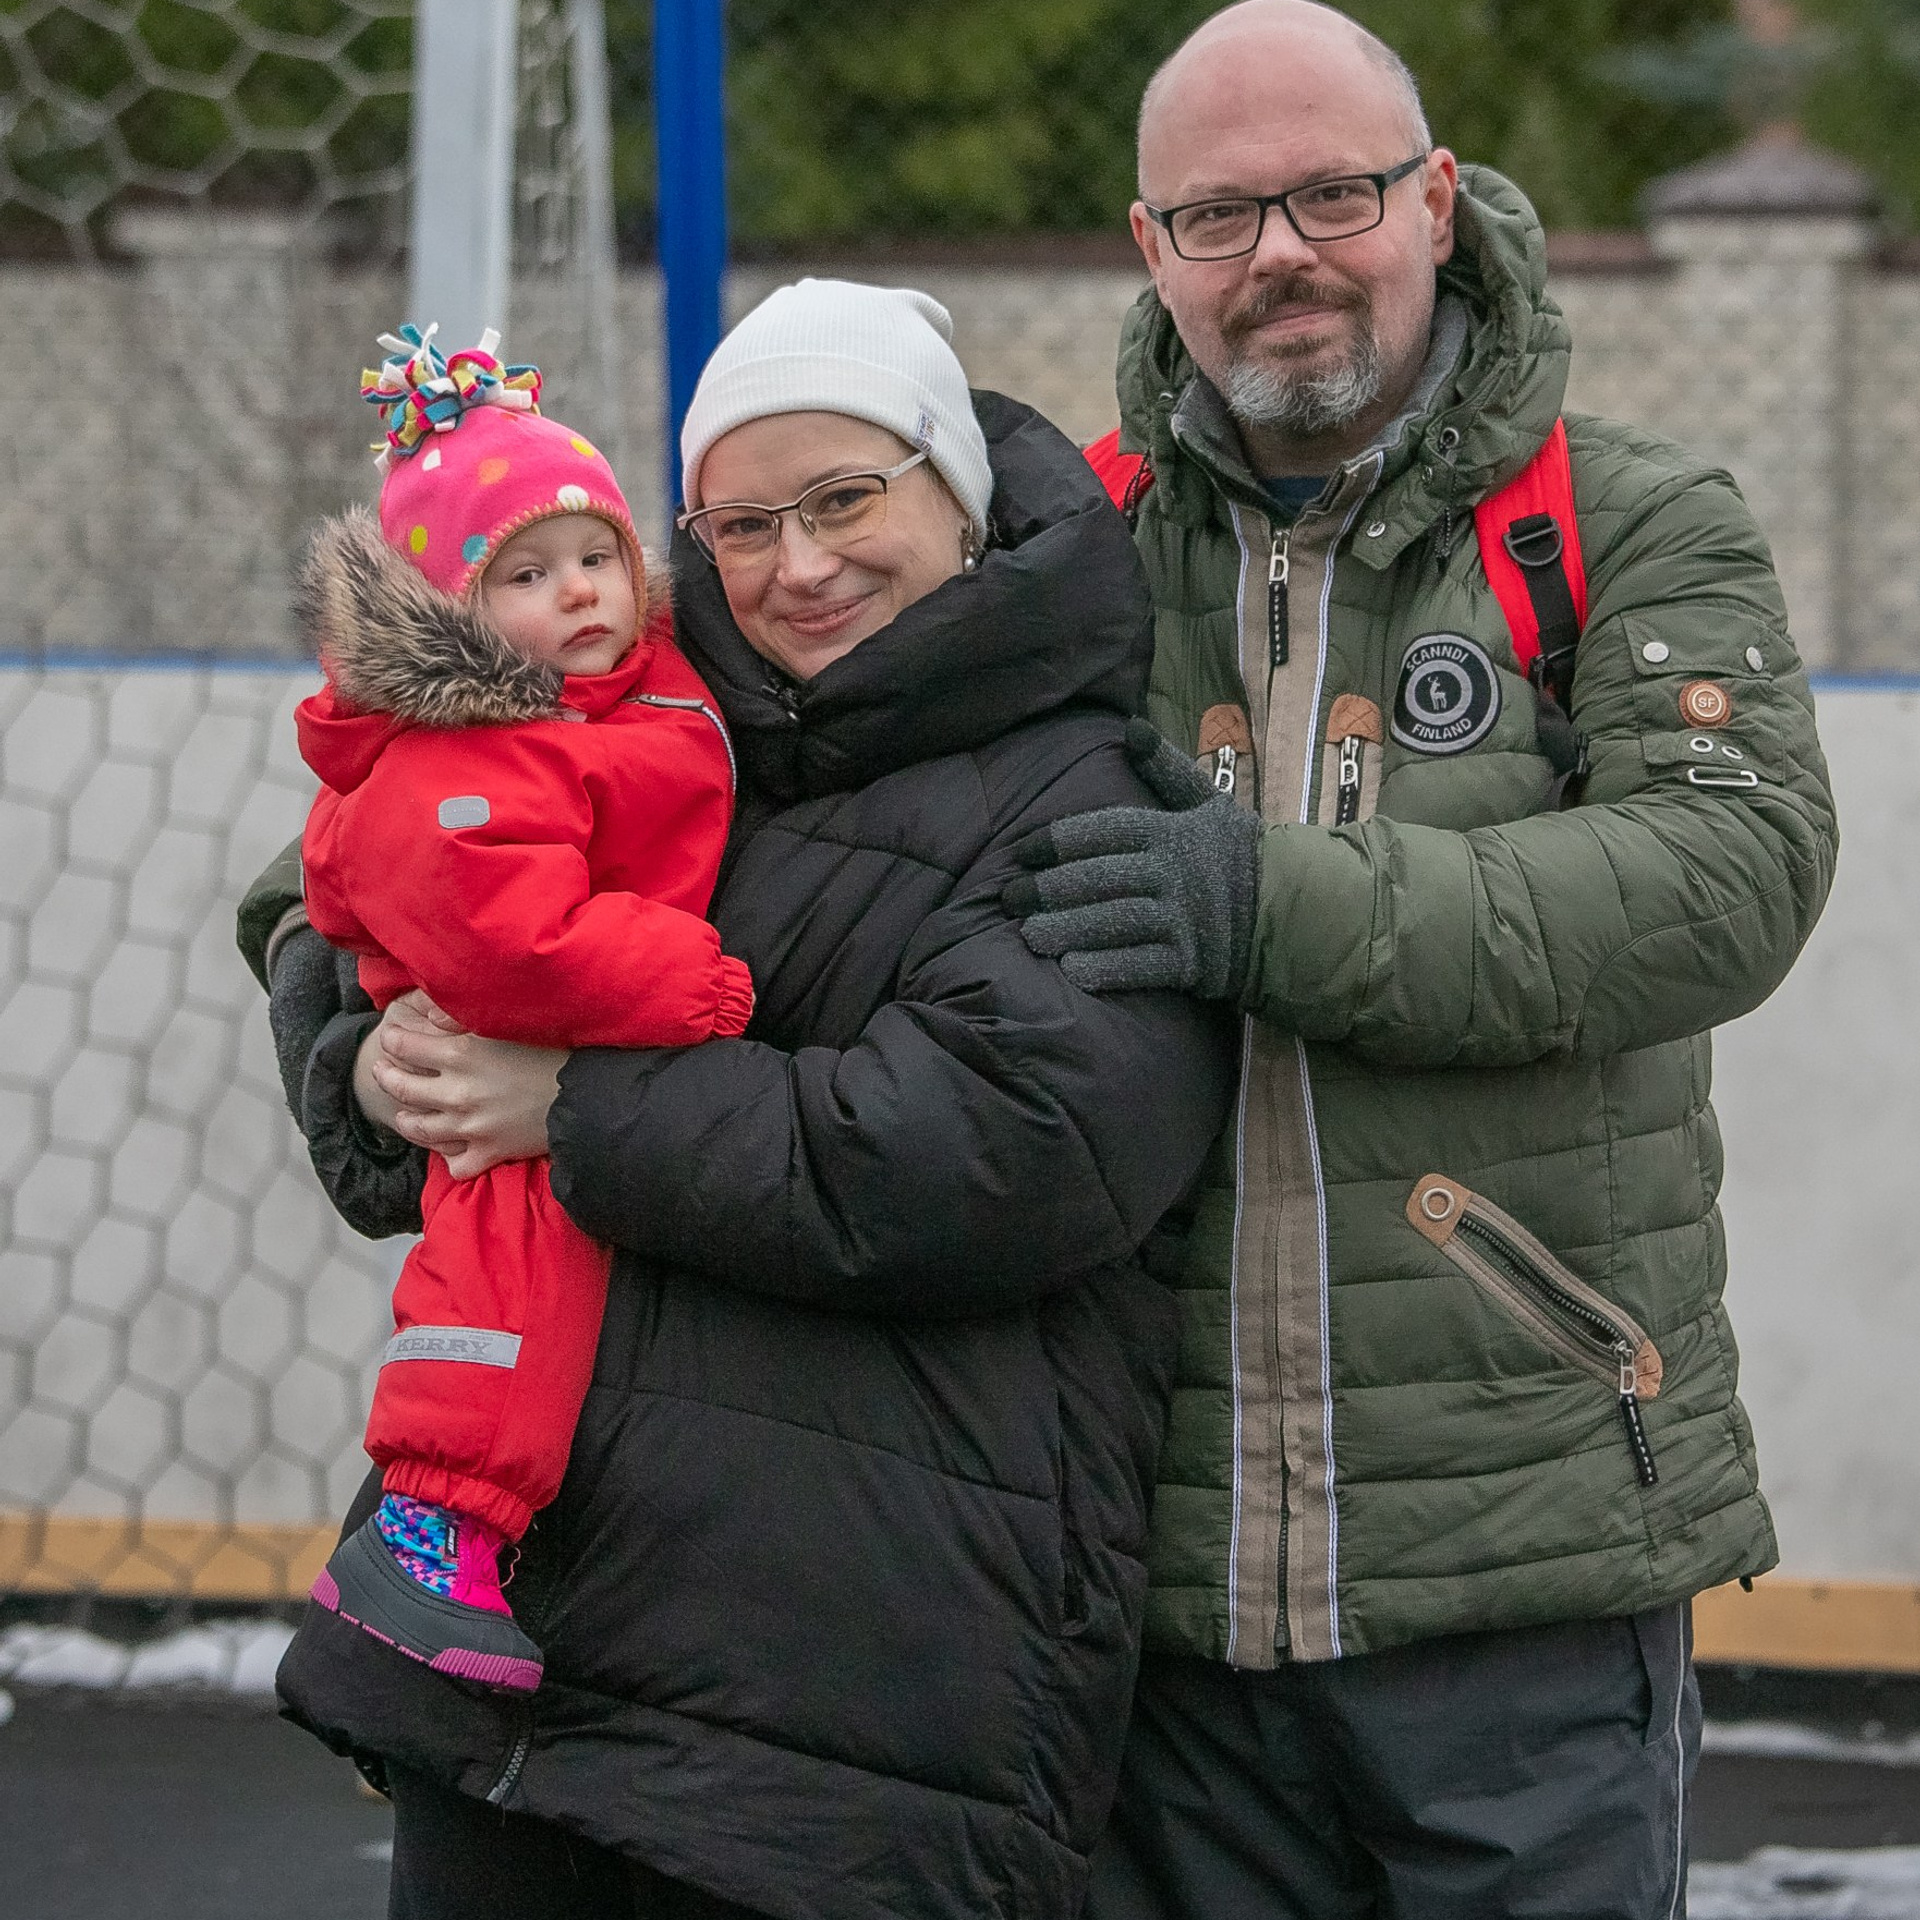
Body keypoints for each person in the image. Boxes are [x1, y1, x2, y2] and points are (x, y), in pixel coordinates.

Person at [243, 279, 1237, 1920]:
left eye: (848, 499)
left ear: (959, 497)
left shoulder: (1089, 793)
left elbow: (1000, 1158)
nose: (799, 564)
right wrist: (366, 1056)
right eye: (739, 522)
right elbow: (353, 901)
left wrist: (572, 1108)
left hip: (848, 1714)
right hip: (529, 1662)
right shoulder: (621, 709)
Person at [1000, 4, 1838, 1916]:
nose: (1281, 251)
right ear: (1150, 250)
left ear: (1437, 203)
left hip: (1528, 1572)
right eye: (1220, 215)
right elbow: (737, 734)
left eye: (1334, 194)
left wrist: (1263, 904)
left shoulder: (1621, 521)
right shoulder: (1069, 553)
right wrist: (359, 929)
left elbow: (1729, 873)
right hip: (1155, 1589)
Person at [292, 326, 754, 1691]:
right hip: (513, 1058)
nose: (583, 594)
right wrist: (694, 987)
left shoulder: (627, 690)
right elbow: (514, 946)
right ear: (450, 613)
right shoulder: (468, 751)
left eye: (598, 556)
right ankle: (430, 1528)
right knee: (507, 1304)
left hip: (566, 1057)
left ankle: (459, 1530)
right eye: (528, 576)